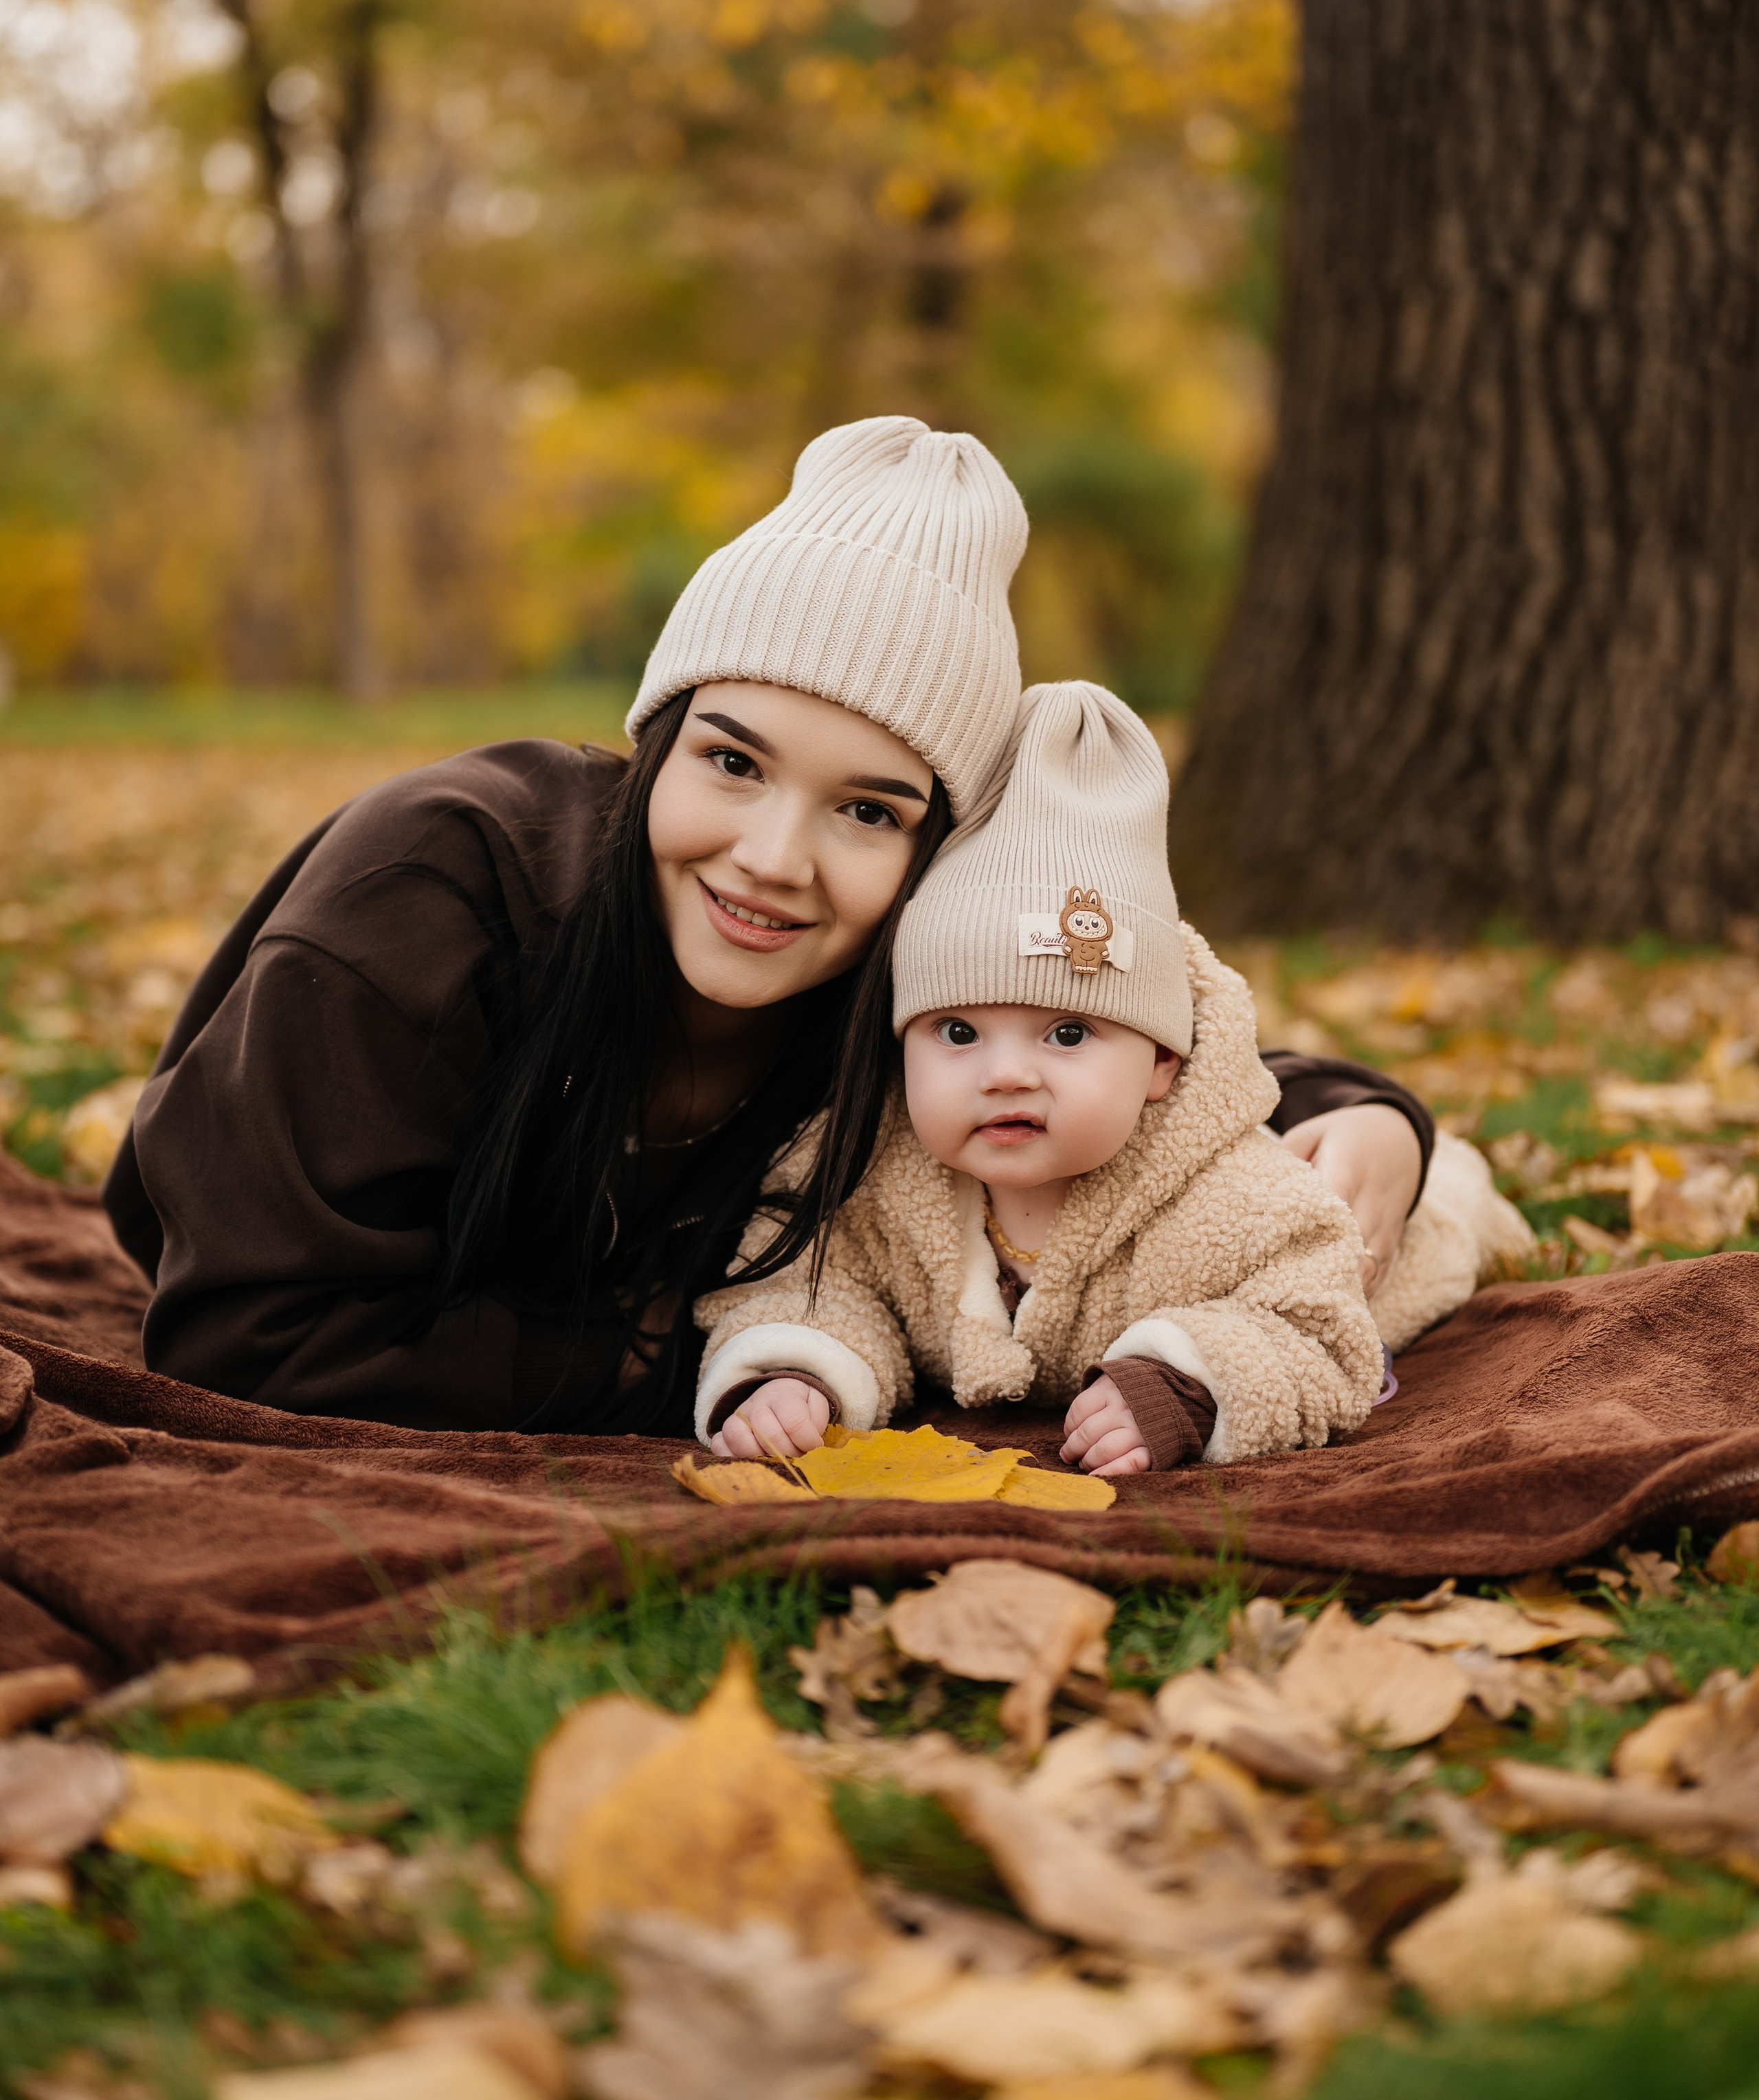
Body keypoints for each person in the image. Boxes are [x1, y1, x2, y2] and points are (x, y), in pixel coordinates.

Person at [105, 418, 1436, 1439]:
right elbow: (248, 1333)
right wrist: (716, 1363)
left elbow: (1103, 1035)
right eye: (733, 762)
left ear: (928, 856)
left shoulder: (888, 963)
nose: (773, 860)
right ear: (658, 740)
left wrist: (1369, 1111)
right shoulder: (433, 889)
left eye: (866, 810)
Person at [699, 683, 1509, 1474]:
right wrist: (796, 1368)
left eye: (1067, 1033)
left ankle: (1456, 1178)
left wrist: (1188, 1382)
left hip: (1387, 1238)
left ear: (1161, 1059)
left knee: (1451, 1215)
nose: (1006, 1073)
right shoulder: (872, 1173)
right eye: (958, 1032)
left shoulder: (1243, 1200)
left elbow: (1318, 1331)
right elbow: (803, 1277)